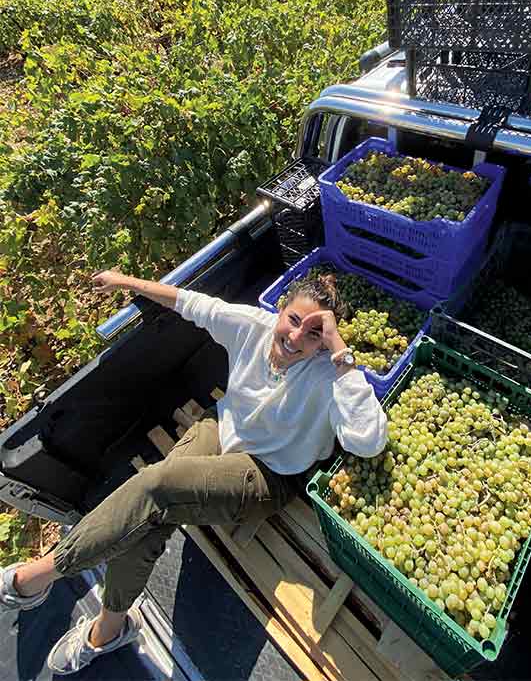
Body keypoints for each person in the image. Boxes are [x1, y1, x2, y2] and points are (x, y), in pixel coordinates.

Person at [0, 268, 389, 675]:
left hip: (268, 472)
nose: (295, 337)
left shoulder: (329, 374)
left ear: (323, 342)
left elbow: (369, 441)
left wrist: (340, 350)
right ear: (280, 309)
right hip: (222, 428)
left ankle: (34, 577)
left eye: (313, 334)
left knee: (156, 485)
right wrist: (127, 282)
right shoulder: (252, 326)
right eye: (293, 320)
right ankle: (110, 628)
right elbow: (189, 303)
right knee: (148, 518)